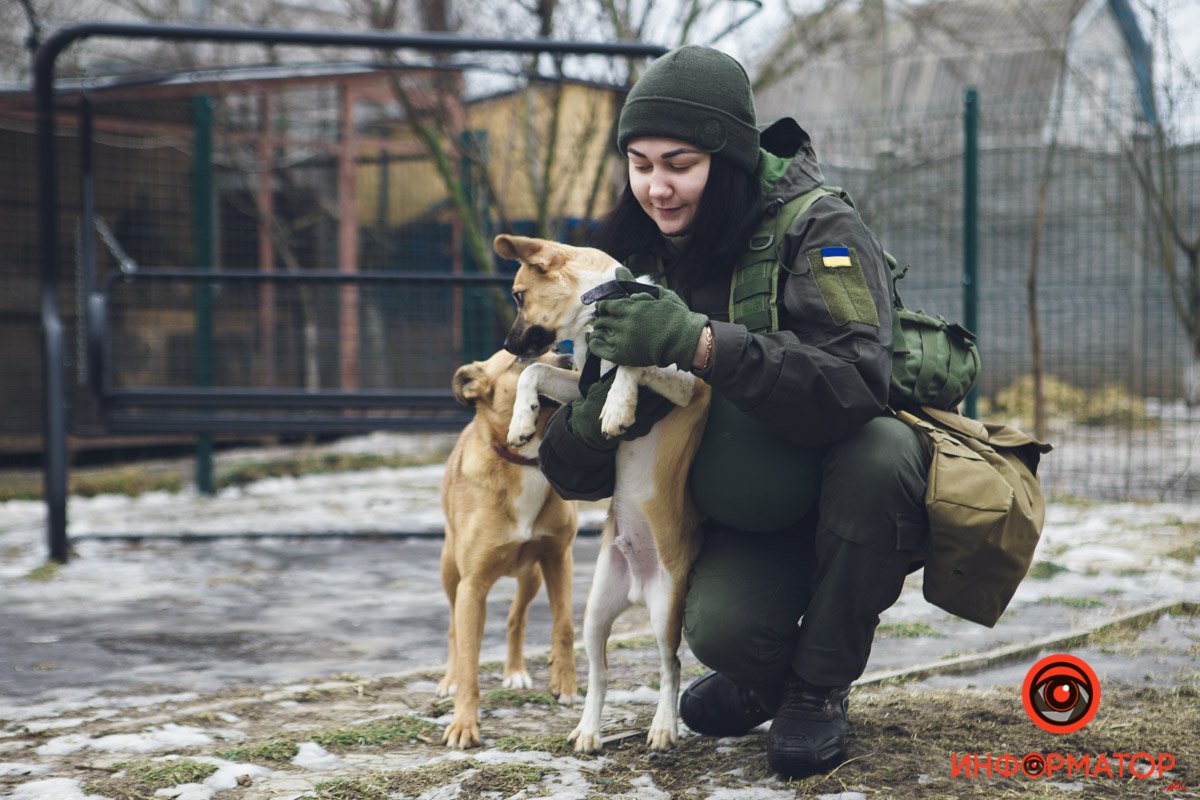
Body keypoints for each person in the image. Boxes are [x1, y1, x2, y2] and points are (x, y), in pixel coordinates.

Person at [536, 44, 931, 778]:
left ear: (731, 160)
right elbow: (579, 480)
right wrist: (587, 422)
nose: (656, 187)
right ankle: (767, 672)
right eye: (641, 163)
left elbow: (855, 382)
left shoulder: (822, 232)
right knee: (721, 632)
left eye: (678, 163)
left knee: (883, 453)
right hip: (732, 519)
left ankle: (815, 691)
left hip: (834, 495)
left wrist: (703, 343)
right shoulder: (632, 261)